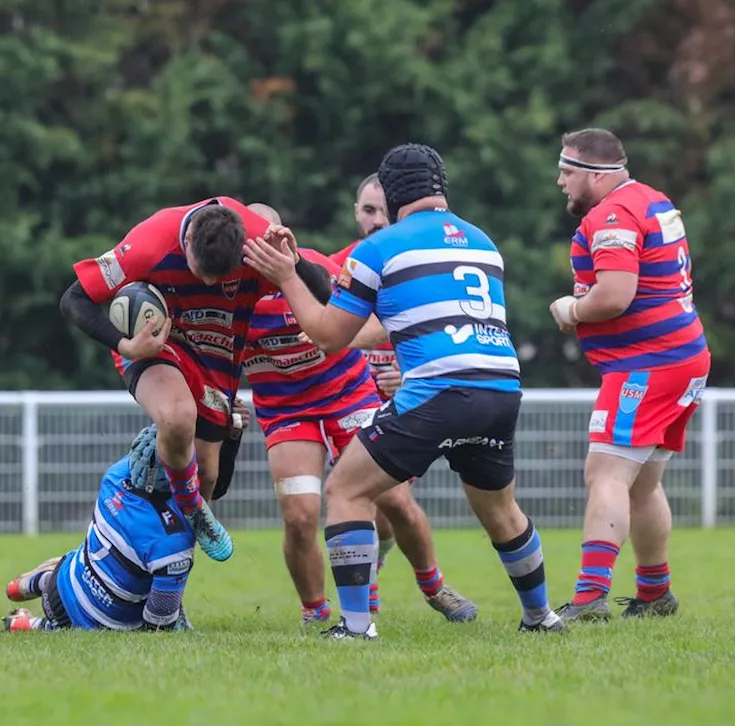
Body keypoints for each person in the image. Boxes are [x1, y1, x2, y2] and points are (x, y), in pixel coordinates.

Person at [244, 143, 564, 639]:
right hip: (501, 388)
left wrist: (287, 276)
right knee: (501, 510)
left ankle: (354, 626)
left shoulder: (379, 248)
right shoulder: (482, 242)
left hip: (440, 392)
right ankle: (541, 617)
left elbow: (329, 337)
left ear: (392, 197)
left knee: (345, 490)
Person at [242, 202, 477, 625]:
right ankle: (315, 612)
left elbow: (386, 318)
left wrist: (349, 343)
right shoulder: (233, 298)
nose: (265, 248)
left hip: (348, 395)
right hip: (285, 408)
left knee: (396, 501)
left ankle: (434, 586)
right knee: (299, 516)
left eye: (272, 236)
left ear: (285, 234)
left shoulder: (316, 269)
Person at [60, 198, 333, 562]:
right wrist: (126, 344)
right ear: (186, 240)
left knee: (208, 475)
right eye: (201, 271)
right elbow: (74, 299)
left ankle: (170, 590)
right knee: (177, 416)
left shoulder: (260, 242)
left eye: (221, 276)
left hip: (217, 359)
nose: (208, 282)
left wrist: (294, 262)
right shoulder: (150, 243)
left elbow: (328, 295)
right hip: (157, 344)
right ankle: (191, 508)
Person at [549, 128, 709, 621]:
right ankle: (655, 592)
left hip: (648, 362)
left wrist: (571, 310)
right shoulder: (654, 200)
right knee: (641, 483)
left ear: (597, 175)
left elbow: (615, 295)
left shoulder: (613, 214)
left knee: (606, 474)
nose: (560, 182)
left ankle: (590, 596)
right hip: (681, 355)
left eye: (568, 172)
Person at [0, 421, 243, 633]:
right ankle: (25, 625)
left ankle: (22, 586)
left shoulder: (115, 476)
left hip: (62, 583)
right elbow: (158, 624)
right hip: (99, 621)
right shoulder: (174, 544)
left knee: (82, 560)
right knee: (71, 623)